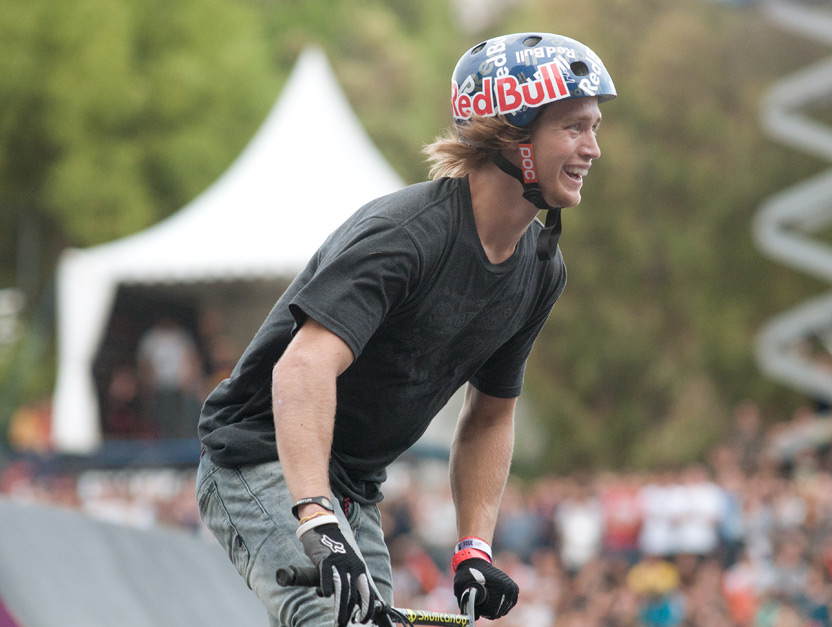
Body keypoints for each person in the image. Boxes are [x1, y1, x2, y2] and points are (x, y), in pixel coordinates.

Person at [196, 32, 616, 627]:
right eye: (574, 127)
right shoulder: (406, 236)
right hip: (260, 457)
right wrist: (316, 517)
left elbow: (490, 415)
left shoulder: (540, 270)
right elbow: (303, 366)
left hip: (354, 484)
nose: (593, 148)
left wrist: (475, 548)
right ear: (513, 134)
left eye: (594, 127)